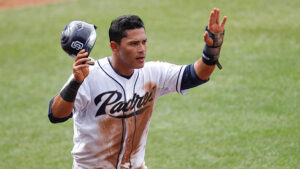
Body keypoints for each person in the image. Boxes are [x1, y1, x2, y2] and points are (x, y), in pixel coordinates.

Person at [48, 8, 227, 169]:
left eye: (144, 42)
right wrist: (75, 83)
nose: (142, 49)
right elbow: (55, 115)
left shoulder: (153, 73)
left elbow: (196, 75)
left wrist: (212, 48)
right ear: (114, 47)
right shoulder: (89, 75)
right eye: (134, 44)